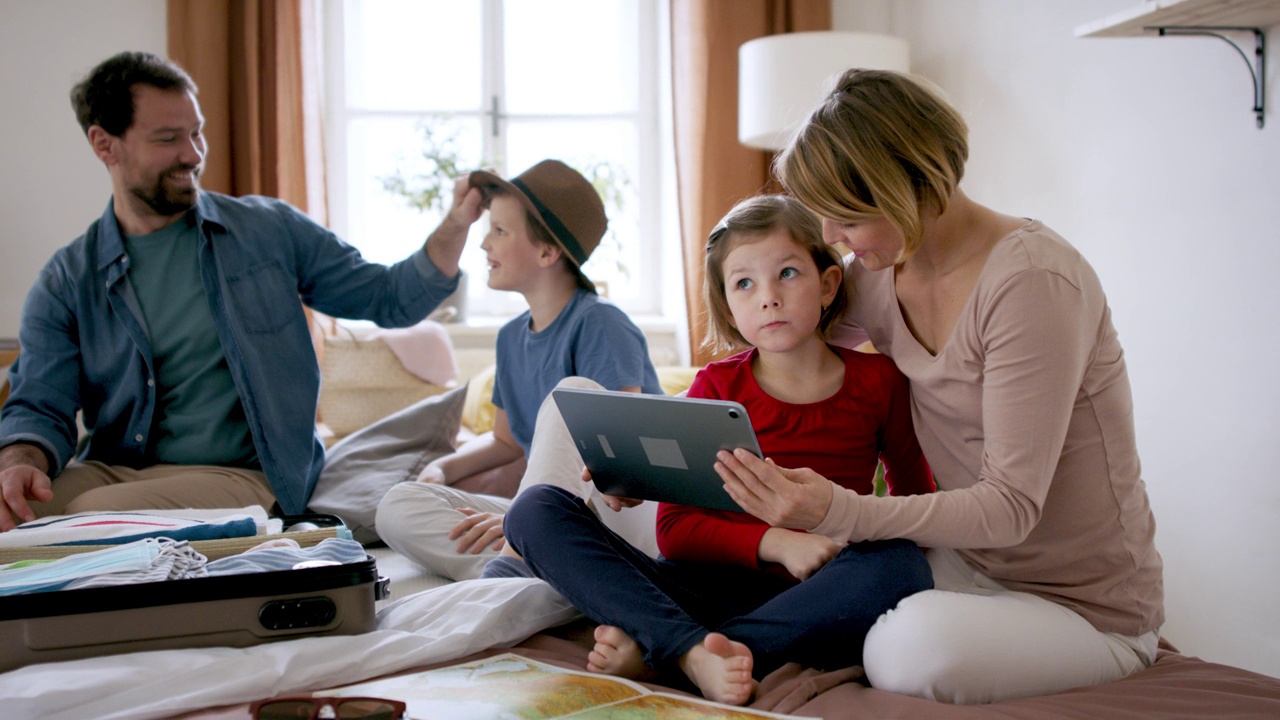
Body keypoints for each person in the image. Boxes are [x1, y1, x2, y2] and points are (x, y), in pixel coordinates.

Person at [710, 69, 1165, 704]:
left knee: (903, 647)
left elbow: (1009, 507)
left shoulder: (1032, 284)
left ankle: (707, 643)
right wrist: (652, 456)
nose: (832, 240)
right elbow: (774, 366)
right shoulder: (877, 273)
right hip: (963, 563)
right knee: (849, 567)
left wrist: (839, 510)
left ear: (907, 186)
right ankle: (688, 643)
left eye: (845, 217)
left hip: (1083, 607)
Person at [0, 51, 479, 530]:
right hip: (115, 469)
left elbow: (389, 298)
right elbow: (39, 401)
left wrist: (456, 225)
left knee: (91, 518)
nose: (192, 153)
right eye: (168, 139)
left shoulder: (267, 232)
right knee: (13, 511)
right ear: (105, 146)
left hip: (241, 474)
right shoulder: (67, 279)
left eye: (196, 132)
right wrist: (20, 462)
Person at [500, 194, 936, 705]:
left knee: (902, 562)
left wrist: (849, 543)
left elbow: (914, 499)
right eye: (744, 283)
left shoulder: (880, 380)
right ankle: (689, 647)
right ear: (728, 304)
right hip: (694, 591)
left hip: (813, 597)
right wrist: (777, 543)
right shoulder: (715, 386)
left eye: (788, 274)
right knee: (534, 510)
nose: (767, 297)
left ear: (828, 283)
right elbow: (675, 532)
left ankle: (676, 650)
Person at [374, 160, 664, 581]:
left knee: (574, 395)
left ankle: (528, 558)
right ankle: (550, 575)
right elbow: (504, 443)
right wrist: (442, 472)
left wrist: (529, 519)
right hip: (550, 511)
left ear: (547, 252)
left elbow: (617, 457)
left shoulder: (601, 322)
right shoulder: (510, 337)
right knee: (398, 505)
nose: (483, 244)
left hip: (620, 506)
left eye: (500, 231)